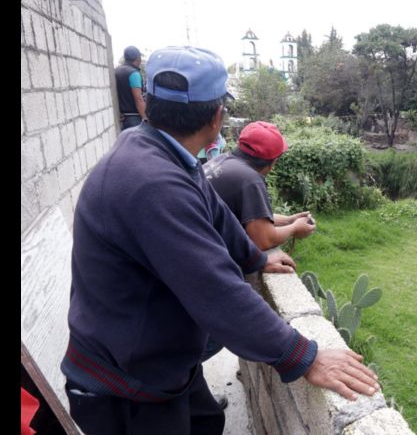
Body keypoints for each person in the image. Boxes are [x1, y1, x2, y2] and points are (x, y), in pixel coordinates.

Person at [61, 46, 379, 434]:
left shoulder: (159, 152)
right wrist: (304, 356)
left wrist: (256, 260)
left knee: (208, 422)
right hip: (126, 384)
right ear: (216, 117)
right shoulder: (152, 184)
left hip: (158, 360)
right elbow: (215, 290)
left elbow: (217, 214)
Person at [203, 121, 316, 252]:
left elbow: (255, 219)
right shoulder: (249, 179)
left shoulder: (223, 160)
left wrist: (289, 220)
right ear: (273, 162)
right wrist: (295, 228)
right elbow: (264, 240)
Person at [115, 45, 147, 130]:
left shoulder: (117, 71)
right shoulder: (134, 73)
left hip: (122, 118)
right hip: (134, 119)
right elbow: (138, 98)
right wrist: (146, 119)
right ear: (138, 58)